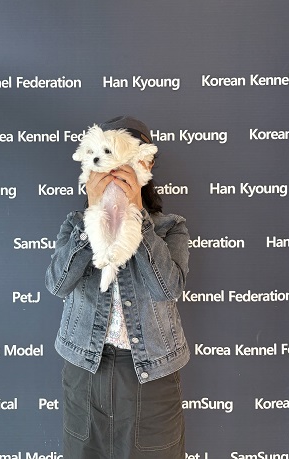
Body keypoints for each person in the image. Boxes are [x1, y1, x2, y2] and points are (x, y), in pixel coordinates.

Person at [45, 116, 190, 459]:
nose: (115, 173)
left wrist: (136, 214)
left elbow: (167, 289)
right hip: (85, 369)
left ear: (145, 164)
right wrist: (93, 215)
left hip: (152, 373)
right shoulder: (75, 224)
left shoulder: (170, 227)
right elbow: (58, 284)